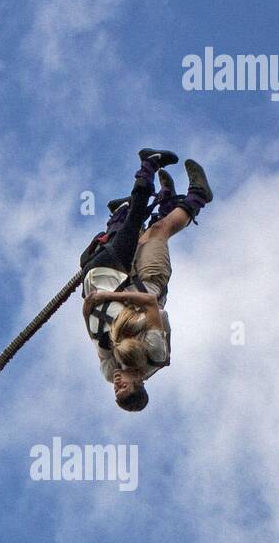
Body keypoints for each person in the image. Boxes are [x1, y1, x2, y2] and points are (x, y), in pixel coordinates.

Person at [79, 148, 213, 411]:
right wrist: (110, 296)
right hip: (150, 281)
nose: (117, 385)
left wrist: (87, 310)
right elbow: (151, 304)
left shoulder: (111, 368)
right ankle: (198, 197)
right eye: (123, 388)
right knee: (159, 232)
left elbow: (96, 335)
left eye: (116, 392)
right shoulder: (154, 353)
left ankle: (166, 201)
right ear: (139, 382)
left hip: (125, 282)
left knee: (143, 234)